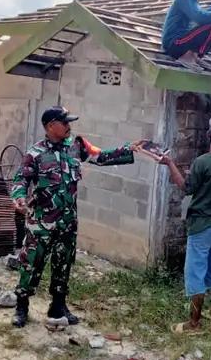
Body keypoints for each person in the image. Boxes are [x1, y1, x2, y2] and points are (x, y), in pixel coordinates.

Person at [10, 106, 141, 328]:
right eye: (65, 122)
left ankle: (58, 306)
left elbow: (100, 156)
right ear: (51, 126)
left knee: (63, 265)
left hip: (67, 222)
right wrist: (19, 197)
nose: (70, 126)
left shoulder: (76, 147)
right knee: (31, 265)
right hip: (41, 223)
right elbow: (20, 180)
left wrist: (129, 148)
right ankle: (22, 307)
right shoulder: (35, 154)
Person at [159, 115, 211, 334]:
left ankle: (194, 324)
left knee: (195, 273)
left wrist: (169, 163)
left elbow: (187, 187)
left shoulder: (202, 162)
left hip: (202, 226)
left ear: (208, 136)